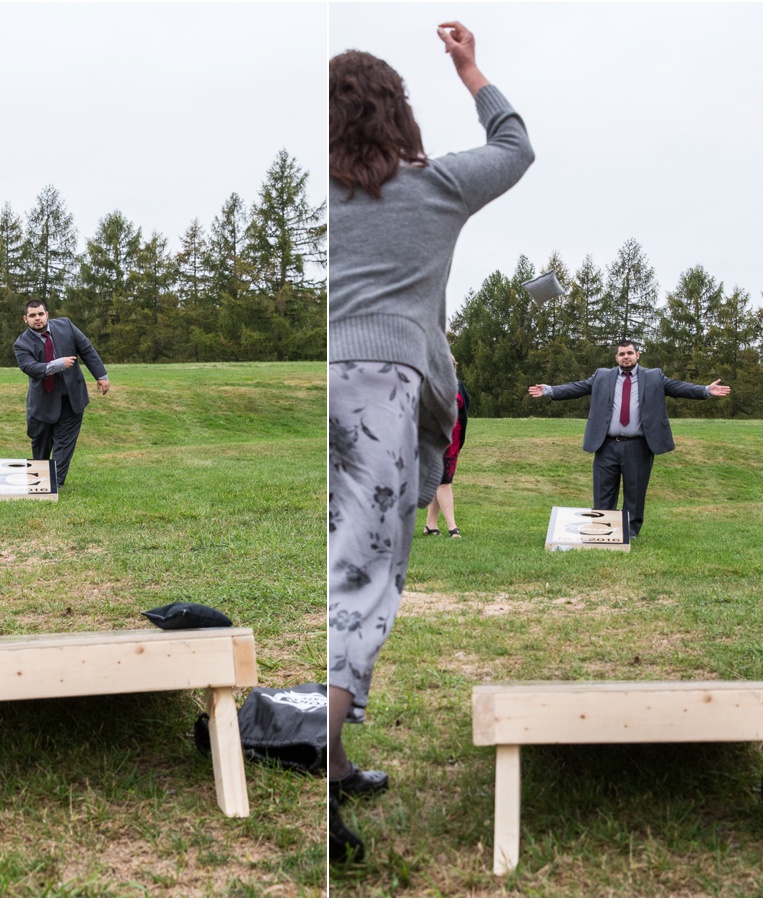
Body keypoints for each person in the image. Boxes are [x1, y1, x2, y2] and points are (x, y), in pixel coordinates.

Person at [327, 22, 534, 862]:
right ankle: (323, 795)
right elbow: (516, 147)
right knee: (359, 580)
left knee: (328, 566)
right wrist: (472, 71)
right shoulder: (435, 184)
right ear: (397, 113)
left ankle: (334, 758)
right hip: (381, 391)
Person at [528, 340, 731, 539]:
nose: (626, 357)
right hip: (606, 444)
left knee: (635, 492)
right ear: (616, 357)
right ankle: (601, 528)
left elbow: (679, 387)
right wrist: (550, 390)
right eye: (622, 354)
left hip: (638, 445)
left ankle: (630, 532)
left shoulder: (654, 376)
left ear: (637, 355)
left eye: (630, 353)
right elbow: (578, 387)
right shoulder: (602, 376)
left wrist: (705, 390)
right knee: (603, 490)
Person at [13, 300, 109, 488]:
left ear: (47, 314)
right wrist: (57, 364)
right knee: (40, 444)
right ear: (26, 319)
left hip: (71, 398)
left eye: (40, 314)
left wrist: (101, 375)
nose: (37, 319)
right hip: (42, 402)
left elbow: (86, 349)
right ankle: (38, 481)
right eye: (32, 316)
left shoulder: (66, 325)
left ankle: (54, 484)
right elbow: (29, 367)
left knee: (64, 444)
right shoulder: (21, 343)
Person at [424, 362, 471, 538]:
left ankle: (431, 525)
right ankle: (453, 528)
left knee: (440, 482)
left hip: (453, 442)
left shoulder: (458, 385)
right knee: (444, 482)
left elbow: (465, 406)